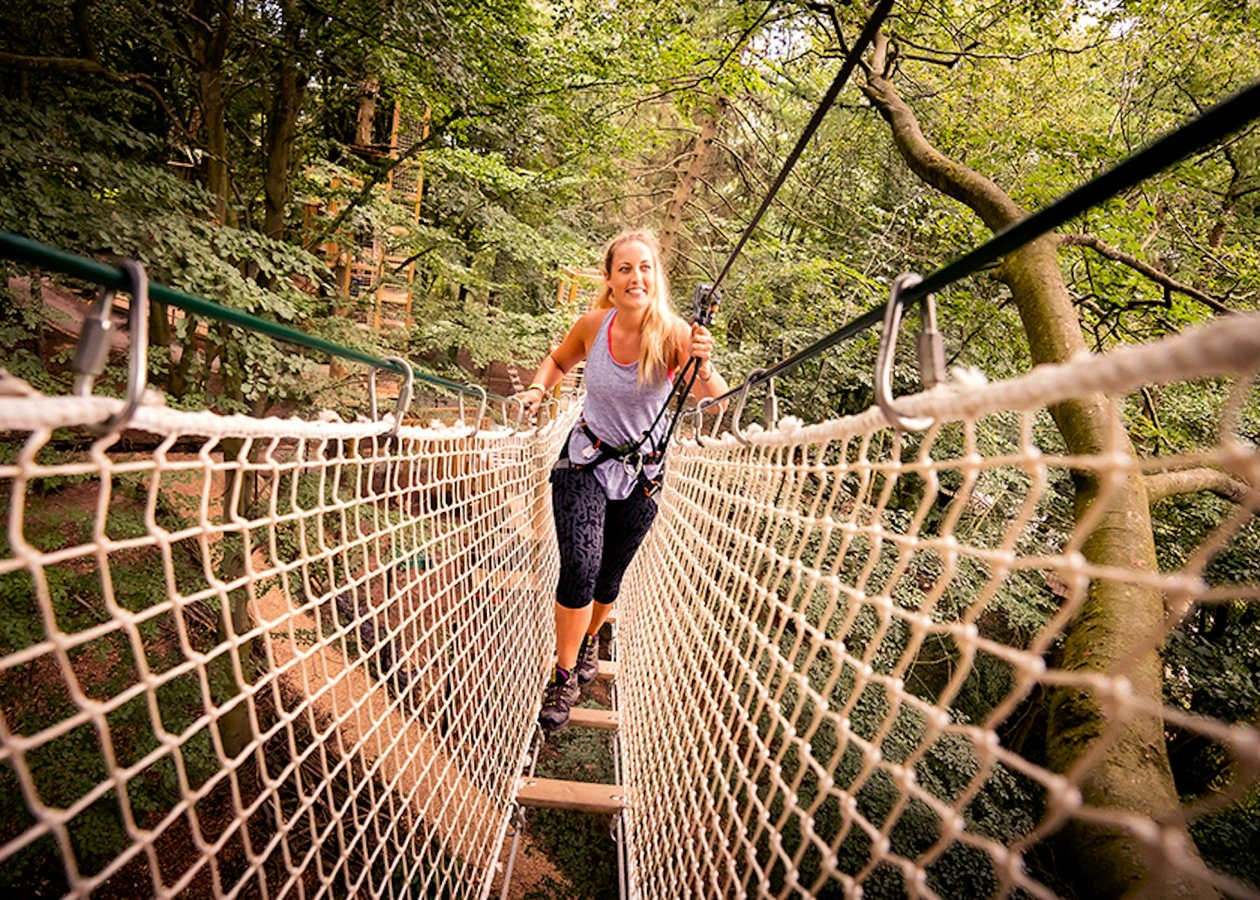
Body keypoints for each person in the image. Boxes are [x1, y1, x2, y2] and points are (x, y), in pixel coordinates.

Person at [517, 228, 728, 730]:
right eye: (625, 269)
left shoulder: (677, 335)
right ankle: (563, 674)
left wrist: (703, 360)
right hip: (584, 462)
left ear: (656, 278)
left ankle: (591, 638)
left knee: (608, 581)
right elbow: (557, 360)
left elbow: (716, 403)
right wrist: (535, 390)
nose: (636, 277)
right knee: (581, 569)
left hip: (643, 476)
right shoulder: (593, 324)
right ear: (610, 281)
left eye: (645, 267)